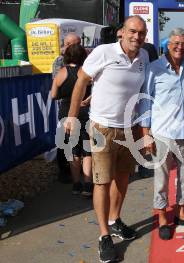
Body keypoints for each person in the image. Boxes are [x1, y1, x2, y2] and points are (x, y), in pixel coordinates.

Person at [64, 15, 149, 262]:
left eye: (142, 33)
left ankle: (114, 220)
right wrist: (72, 116)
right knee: (101, 182)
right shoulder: (103, 52)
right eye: (133, 31)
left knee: (123, 180)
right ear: (122, 32)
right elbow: (81, 80)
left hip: (128, 129)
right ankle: (104, 235)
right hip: (102, 128)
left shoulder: (143, 57)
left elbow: (140, 92)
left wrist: (142, 129)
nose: (137, 37)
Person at [139, 27, 184, 241]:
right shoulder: (154, 68)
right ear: (168, 44)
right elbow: (145, 101)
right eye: (176, 43)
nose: (180, 47)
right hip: (161, 133)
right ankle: (164, 218)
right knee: (162, 179)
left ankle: (182, 214)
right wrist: (146, 134)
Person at [51, 44, 93, 197]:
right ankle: (88, 184)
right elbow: (97, 90)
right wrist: (88, 99)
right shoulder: (87, 72)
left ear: (67, 56)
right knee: (87, 150)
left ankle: (76, 184)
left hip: (66, 113)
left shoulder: (62, 72)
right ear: (84, 56)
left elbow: (53, 95)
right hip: (85, 112)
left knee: (72, 149)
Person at [52, 33, 81, 184]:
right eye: (74, 44)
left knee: (82, 140)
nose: (77, 47)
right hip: (65, 106)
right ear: (67, 44)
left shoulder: (85, 58)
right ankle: (64, 171)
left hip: (83, 107)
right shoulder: (59, 61)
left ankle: (80, 172)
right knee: (64, 140)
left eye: (79, 43)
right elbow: (56, 85)